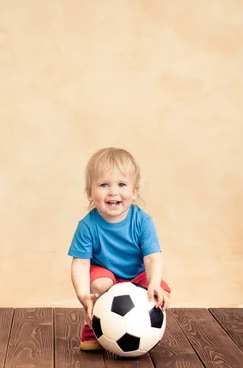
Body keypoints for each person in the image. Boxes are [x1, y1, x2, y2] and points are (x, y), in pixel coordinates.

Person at [68, 147, 171, 351]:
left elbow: (152, 257)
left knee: (162, 290)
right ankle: (93, 326)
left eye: (122, 184)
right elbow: (80, 263)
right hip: (105, 273)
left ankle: (141, 329)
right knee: (100, 284)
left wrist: (154, 283)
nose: (113, 191)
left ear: (134, 191)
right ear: (89, 192)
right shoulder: (88, 226)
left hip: (136, 274)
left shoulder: (142, 222)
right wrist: (82, 294)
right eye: (104, 185)